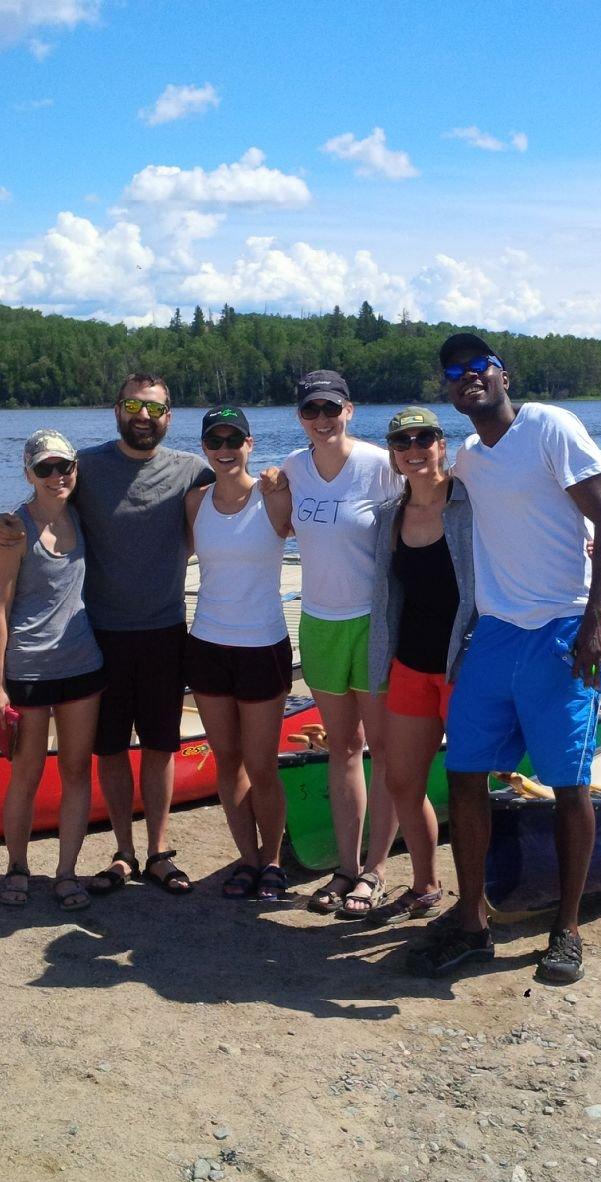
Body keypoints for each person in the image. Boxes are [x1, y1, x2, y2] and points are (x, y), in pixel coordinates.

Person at [408, 332, 601, 984]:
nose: (468, 377)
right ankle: (473, 924)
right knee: (465, 772)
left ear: (503, 374)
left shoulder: (550, 427)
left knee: (569, 784)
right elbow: (417, 480)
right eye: (456, 372)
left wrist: (596, 620)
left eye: (480, 366)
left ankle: (566, 929)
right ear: (449, 389)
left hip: (564, 628)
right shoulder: (470, 459)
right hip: (497, 634)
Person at [0, 374, 214, 898]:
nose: (143, 415)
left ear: (168, 417)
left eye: (153, 408)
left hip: (163, 630)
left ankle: (158, 852)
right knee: (109, 751)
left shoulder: (189, 470)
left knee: (160, 746)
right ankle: (123, 852)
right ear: (117, 409)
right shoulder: (84, 467)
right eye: (133, 404)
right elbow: (36, 502)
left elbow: (233, 492)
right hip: (98, 637)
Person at [265, 370, 403, 918]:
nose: (321, 420)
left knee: (386, 752)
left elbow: (424, 517)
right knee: (342, 749)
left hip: (372, 622)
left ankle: (375, 871)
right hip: (318, 623)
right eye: (310, 411)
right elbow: (276, 524)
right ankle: (344, 867)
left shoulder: (378, 465)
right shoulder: (294, 469)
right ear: (300, 416)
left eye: (330, 408)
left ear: (350, 409)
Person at [0, 430, 106, 910]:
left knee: (77, 771)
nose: (57, 477)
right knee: (27, 774)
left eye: (65, 467)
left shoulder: (81, 514)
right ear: (29, 473)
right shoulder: (13, 530)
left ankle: (66, 872)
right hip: (29, 670)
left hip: (82, 665)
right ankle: (17, 866)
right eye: (45, 469)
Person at [364, 406, 475, 927]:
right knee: (403, 782)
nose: (414, 449)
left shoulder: (473, 503)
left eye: (423, 438)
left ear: (441, 443)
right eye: (403, 442)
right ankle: (426, 886)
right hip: (410, 663)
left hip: (466, 664)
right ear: (393, 454)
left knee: (473, 787)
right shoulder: (389, 515)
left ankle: (480, 898)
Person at [185, 406, 294, 902]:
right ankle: (246, 861)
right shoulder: (195, 501)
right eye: (215, 441)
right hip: (207, 643)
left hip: (262, 644)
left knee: (262, 763)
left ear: (249, 443)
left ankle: (272, 860)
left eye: (234, 439)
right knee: (228, 761)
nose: (225, 449)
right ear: (205, 448)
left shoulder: (273, 495)